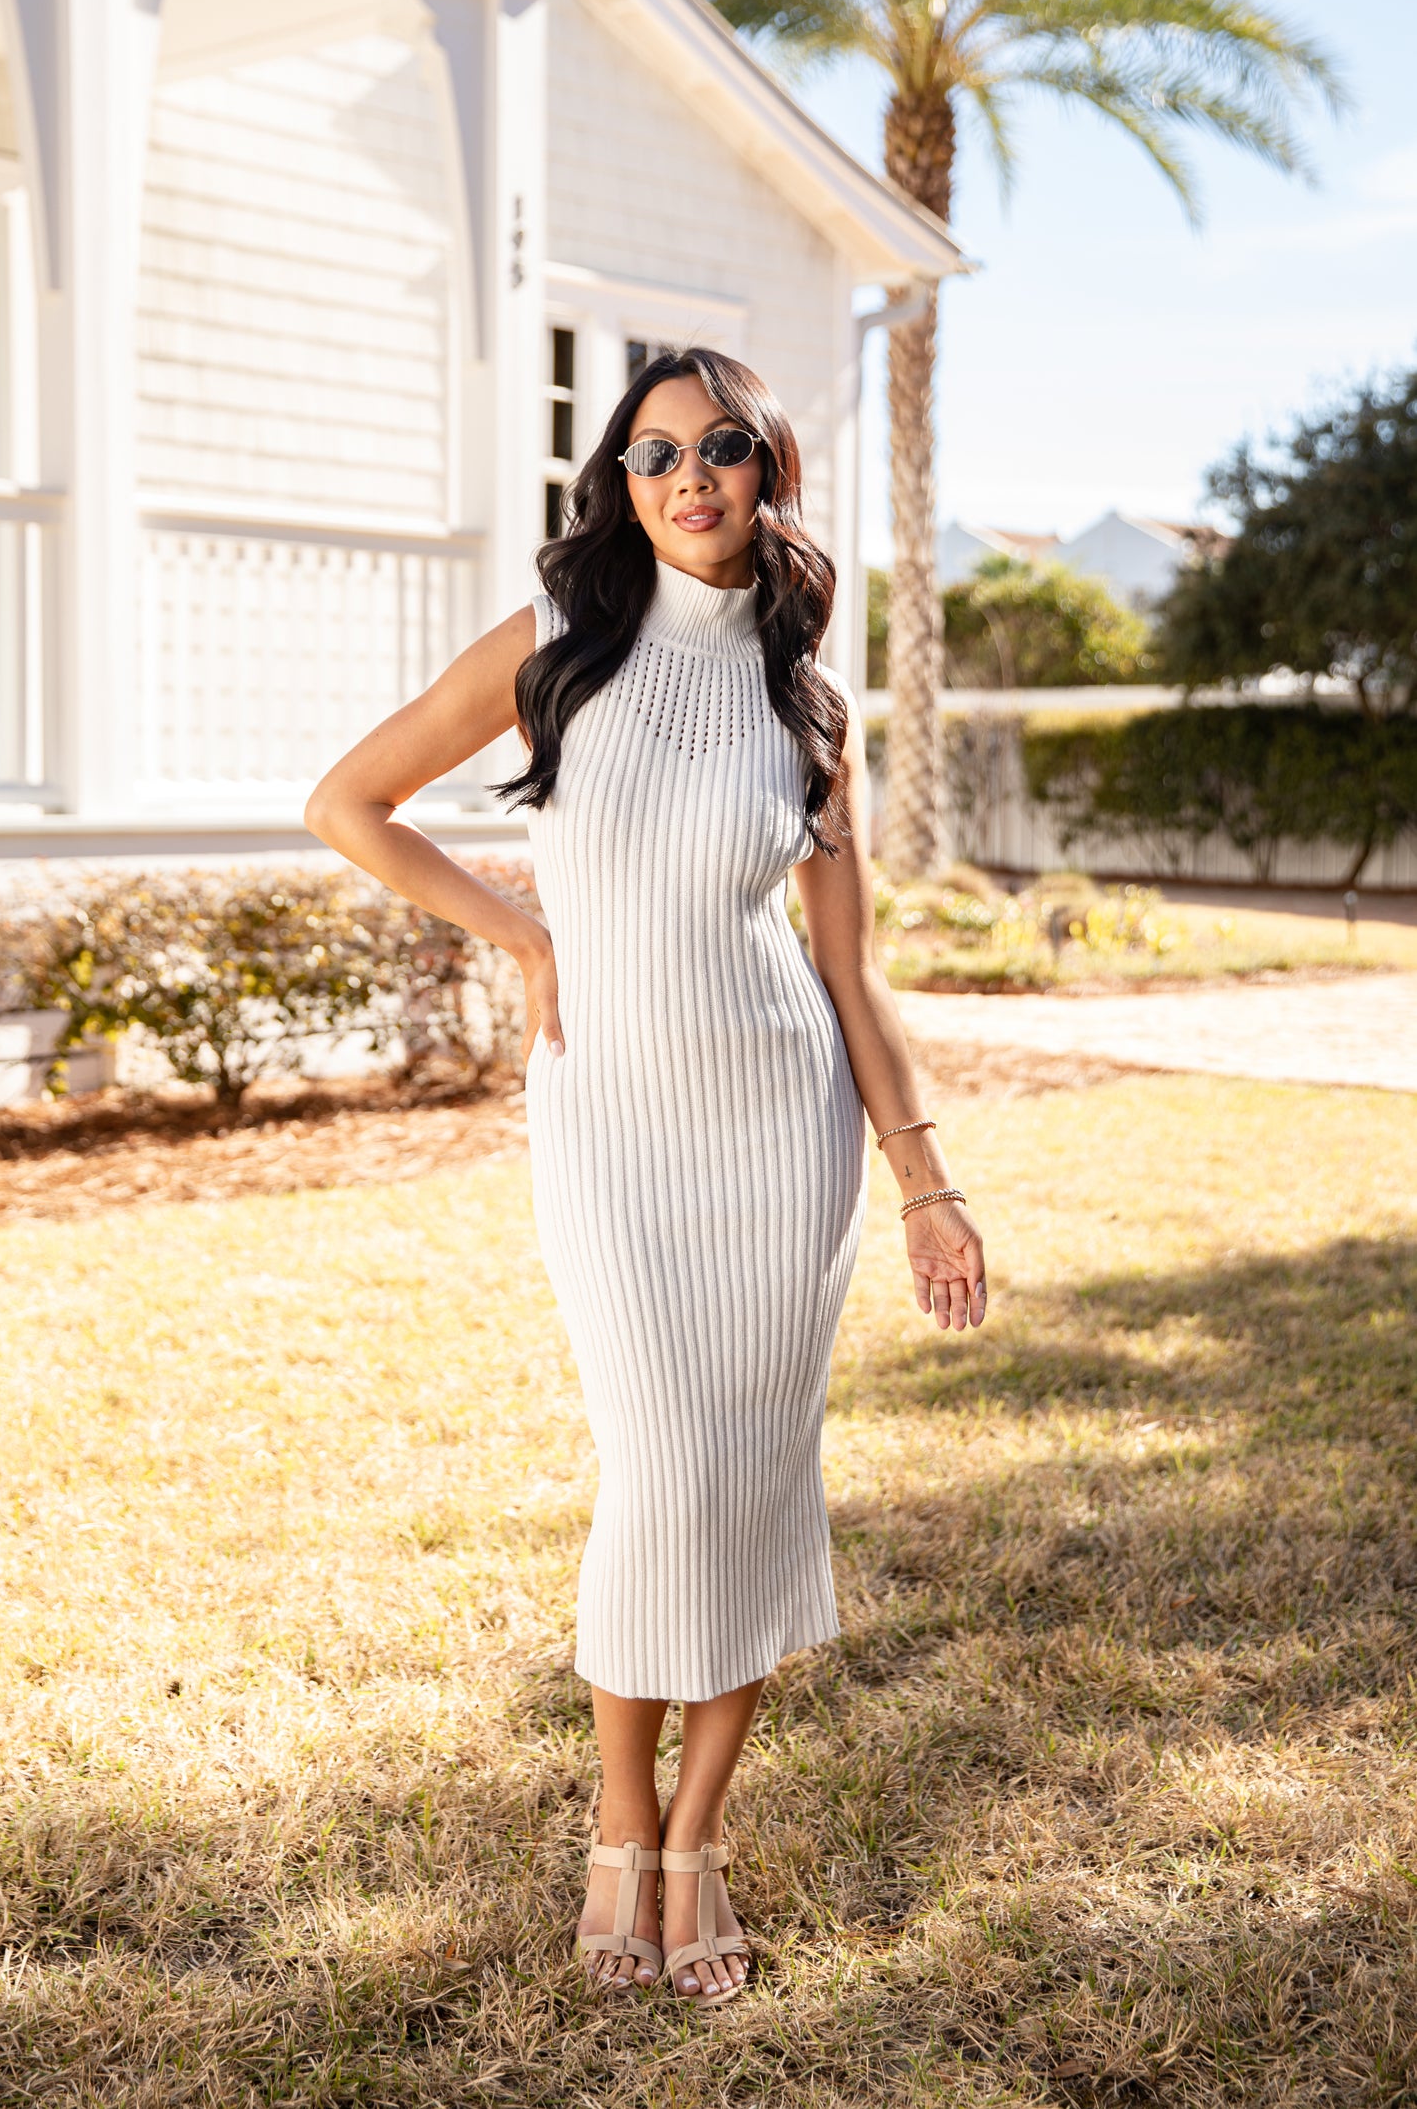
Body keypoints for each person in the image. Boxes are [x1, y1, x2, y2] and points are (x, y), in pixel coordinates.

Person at [304, 347, 987, 2009]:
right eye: (658, 448)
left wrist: (924, 1178)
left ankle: (695, 1842)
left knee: (748, 1478)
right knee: (665, 1466)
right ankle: (617, 1824)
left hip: (781, 1129)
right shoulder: (551, 652)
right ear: (620, 476)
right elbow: (349, 803)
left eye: (727, 446)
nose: (694, 473)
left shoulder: (809, 712)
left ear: (770, 473)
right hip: (609, 1124)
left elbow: (849, 975)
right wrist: (522, 933)